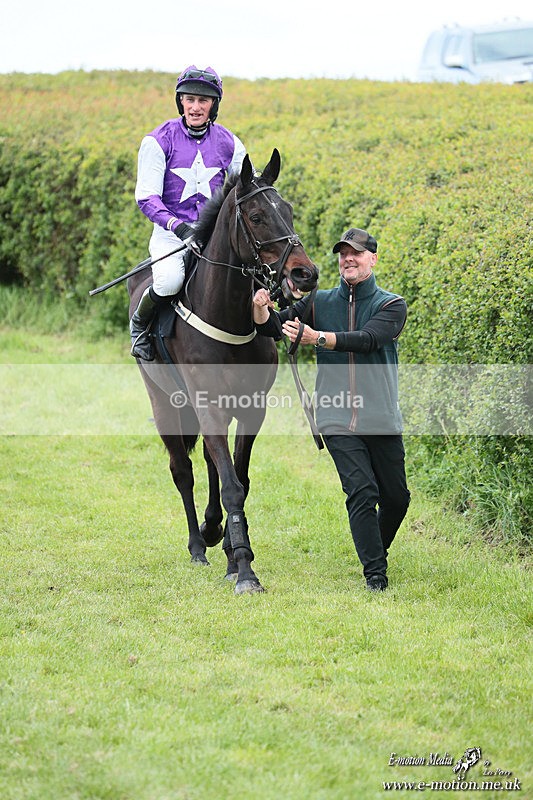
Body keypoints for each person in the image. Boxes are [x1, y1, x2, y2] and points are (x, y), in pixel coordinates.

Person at [253, 228, 411, 591]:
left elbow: (368, 340)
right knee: (362, 491)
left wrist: (318, 338)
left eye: (356, 253)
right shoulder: (319, 302)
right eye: (343, 254)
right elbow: (274, 329)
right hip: (335, 415)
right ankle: (375, 575)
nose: (348, 259)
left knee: (397, 499)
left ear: (373, 259)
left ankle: (375, 549)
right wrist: (261, 308)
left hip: (380, 416)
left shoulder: (391, 305)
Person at [131, 65, 247, 360]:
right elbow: (146, 197)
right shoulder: (158, 140)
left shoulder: (230, 143)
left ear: (213, 105)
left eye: (203, 101)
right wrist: (178, 227)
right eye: (190, 99)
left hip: (214, 237)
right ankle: (140, 327)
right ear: (180, 101)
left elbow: (247, 187)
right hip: (172, 235)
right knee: (169, 281)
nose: (195, 107)